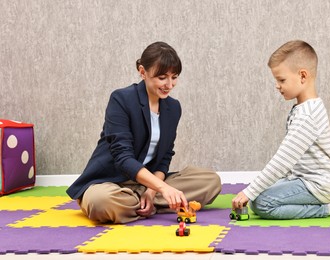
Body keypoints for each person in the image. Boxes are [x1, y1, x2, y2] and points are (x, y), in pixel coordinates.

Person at [66, 41, 221, 224]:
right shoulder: (121, 99)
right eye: (162, 77)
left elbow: (164, 158)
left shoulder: (173, 108)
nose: (169, 85)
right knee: (101, 202)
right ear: (142, 72)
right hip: (110, 182)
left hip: (146, 183)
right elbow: (123, 158)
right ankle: (154, 204)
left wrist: (152, 190)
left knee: (210, 181)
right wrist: (164, 189)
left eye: (174, 77)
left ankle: (143, 201)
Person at [232, 40, 330, 219]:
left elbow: (282, 160)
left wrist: (250, 191)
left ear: (302, 76)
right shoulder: (305, 107)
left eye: (281, 80)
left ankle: (326, 209)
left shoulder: (307, 115)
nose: (277, 85)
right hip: (304, 179)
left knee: (261, 203)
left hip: (320, 184)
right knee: (258, 193)